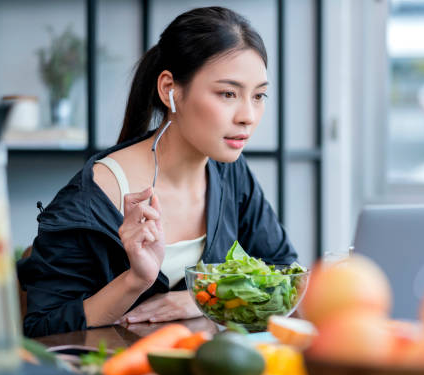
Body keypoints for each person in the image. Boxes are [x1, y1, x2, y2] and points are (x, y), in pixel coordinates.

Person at [17, 6, 297, 337]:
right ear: (170, 90)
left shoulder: (231, 175)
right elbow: (41, 325)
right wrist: (135, 281)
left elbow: (285, 276)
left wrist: (201, 299)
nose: (248, 116)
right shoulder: (90, 200)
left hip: (201, 374)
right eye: (228, 93)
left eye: (259, 96)